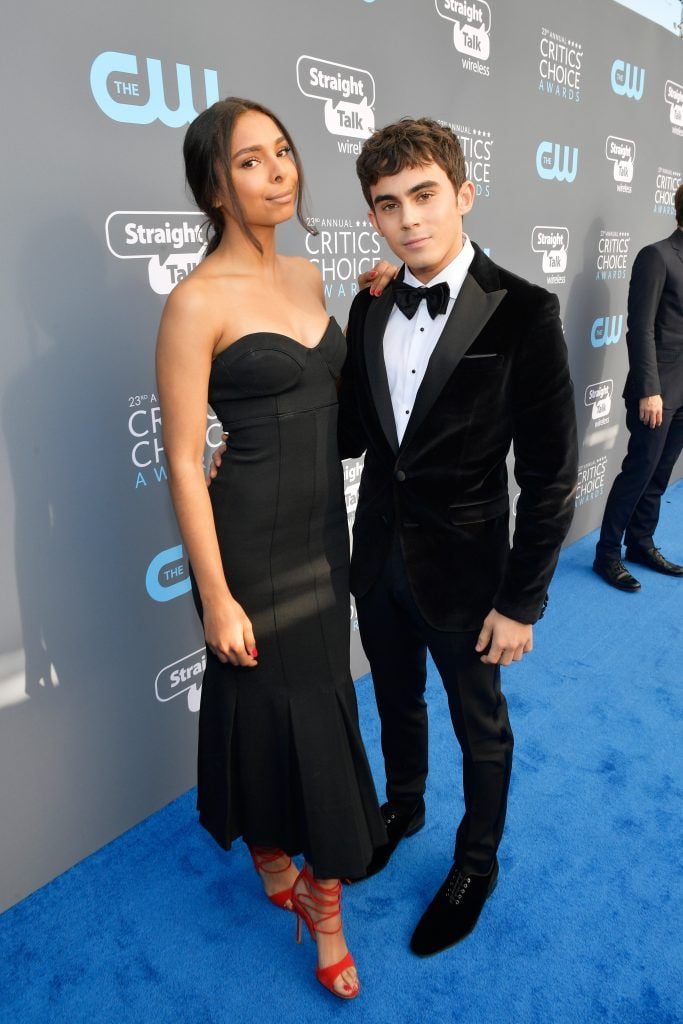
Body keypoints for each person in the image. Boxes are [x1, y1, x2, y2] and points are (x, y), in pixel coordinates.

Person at [156, 97, 386, 1000]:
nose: (278, 170)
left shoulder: (312, 278)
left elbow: (334, 409)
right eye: (251, 160)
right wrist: (214, 596)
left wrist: (366, 313)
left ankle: (293, 870)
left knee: (319, 703)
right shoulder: (193, 302)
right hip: (245, 542)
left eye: (284, 152)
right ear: (214, 185)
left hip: (323, 537)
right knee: (258, 702)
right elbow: (182, 460)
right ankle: (320, 907)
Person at [337, 117, 578, 956]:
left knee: (481, 726)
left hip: (471, 577)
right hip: (378, 563)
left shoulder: (525, 312)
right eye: (387, 204)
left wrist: (520, 602)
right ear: (372, 218)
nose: (409, 219)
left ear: (463, 194)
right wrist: (244, 443)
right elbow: (344, 436)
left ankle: (476, 863)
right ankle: (404, 802)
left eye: (425, 195)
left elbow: (550, 475)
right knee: (394, 698)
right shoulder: (368, 305)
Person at [593, 185, 683, 590]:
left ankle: (641, 543)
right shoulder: (657, 256)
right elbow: (640, 327)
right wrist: (649, 388)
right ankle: (607, 554)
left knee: (660, 474)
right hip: (658, 390)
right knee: (639, 471)